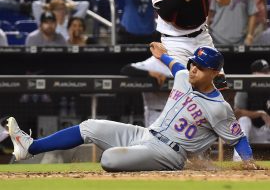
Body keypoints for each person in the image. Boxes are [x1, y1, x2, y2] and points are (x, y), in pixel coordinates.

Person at [7, 43, 257, 171]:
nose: (193, 68)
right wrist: (161, 54)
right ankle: (30, 147)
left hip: (170, 153)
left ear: (213, 72)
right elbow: (175, 65)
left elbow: (238, 138)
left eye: (200, 67)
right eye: (193, 63)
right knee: (90, 127)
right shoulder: (184, 76)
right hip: (146, 134)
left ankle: (142, 162)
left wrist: (248, 163)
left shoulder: (219, 108)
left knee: (109, 159)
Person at [233, 59, 270, 161]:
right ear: (254, 73)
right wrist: (259, 113)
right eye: (263, 72)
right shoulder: (246, 87)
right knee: (244, 120)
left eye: (267, 71)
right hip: (252, 131)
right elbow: (237, 113)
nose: (267, 74)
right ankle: (239, 159)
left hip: (267, 131)